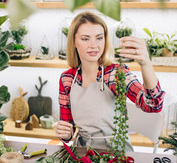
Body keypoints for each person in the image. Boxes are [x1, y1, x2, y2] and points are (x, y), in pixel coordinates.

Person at [55, 11, 165, 151]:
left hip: (116, 154)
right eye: (85, 39)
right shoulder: (67, 79)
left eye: (99, 38)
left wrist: (146, 63)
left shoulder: (114, 74)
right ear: (74, 42)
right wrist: (65, 133)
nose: (94, 45)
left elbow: (152, 105)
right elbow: (67, 129)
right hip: (82, 154)